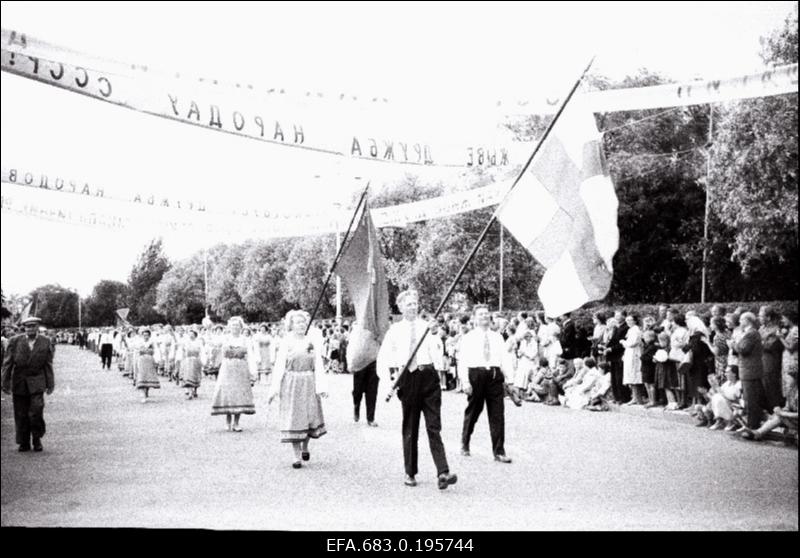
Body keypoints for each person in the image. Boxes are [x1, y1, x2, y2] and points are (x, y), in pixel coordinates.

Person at [378, 289, 457, 489]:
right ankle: (410, 472)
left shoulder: (427, 327)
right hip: (408, 378)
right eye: (408, 304)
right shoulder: (394, 331)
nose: (412, 307)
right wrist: (390, 382)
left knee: (433, 426)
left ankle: (443, 472)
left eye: (415, 303)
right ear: (401, 307)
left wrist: (434, 335)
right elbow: (384, 358)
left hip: (428, 377)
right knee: (411, 427)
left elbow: (438, 354)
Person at [269, 310, 328, 468]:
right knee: (294, 418)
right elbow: (280, 365)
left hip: (309, 381)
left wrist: (321, 387)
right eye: (297, 322)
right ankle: (296, 456)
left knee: (309, 416)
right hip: (291, 383)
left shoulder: (312, 341)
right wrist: (274, 389)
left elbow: (319, 366)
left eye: (303, 322)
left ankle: (305, 446)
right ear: (291, 325)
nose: (301, 325)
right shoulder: (286, 342)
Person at [457, 304, 513, 463]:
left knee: (497, 414)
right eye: (481, 314)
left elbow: (505, 359)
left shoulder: (497, 337)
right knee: (473, 411)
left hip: (494, 375)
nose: (484, 316)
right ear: (474, 318)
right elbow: (462, 361)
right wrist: (465, 382)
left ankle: (499, 451)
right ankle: (465, 442)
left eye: (487, 313)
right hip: (476, 375)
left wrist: (510, 380)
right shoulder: (468, 337)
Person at [1, 317, 54, 452]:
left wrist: (50, 383)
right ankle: (24, 442)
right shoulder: (14, 341)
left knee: (36, 411)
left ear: (37, 327)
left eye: (33, 326)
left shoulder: (45, 341)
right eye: (28, 326)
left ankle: (37, 439)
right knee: (21, 414)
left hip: (37, 381)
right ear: (24, 328)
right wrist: (4, 382)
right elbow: (7, 363)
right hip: (19, 382)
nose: (30, 329)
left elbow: (48, 364)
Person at [211, 317, 257, 432]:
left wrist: (253, 372)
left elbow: (250, 355)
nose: (235, 327)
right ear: (229, 327)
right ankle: (227, 421)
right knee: (228, 393)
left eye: (237, 325)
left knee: (238, 394)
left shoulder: (245, 340)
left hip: (241, 369)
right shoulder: (225, 339)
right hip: (227, 368)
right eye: (233, 325)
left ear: (241, 327)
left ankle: (236, 422)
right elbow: (219, 353)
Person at [734, 312, 768, 431]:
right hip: (749, 370)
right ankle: (750, 424)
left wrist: (734, 344)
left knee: (751, 400)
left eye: (741, 320)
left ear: (747, 321)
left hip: (750, 370)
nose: (739, 322)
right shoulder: (750, 333)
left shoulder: (751, 333)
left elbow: (743, 349)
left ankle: (753, 426)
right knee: (749, 399)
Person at [348, 322, 381, 427]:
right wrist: (350, 362)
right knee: (357, 391)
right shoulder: (356, 328)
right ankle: (356, 406)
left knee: (372, 391)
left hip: (374, 361)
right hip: (360, 362)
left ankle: (370, 418)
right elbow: (351, 347)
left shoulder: (376, 327)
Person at [759, 305, 785, 411]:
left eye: (761, 316)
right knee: (762, 387)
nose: (759, 318)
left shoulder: (775, 329)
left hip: (770, 361)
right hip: (760, 361)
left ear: (768, 317)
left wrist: (758, 343)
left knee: (771, 386)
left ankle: (776, 412)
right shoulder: (761, 328)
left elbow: (771, 345)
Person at [621, 315, 644, 405]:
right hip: (629, 353)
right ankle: (634, 397)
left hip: (634, 354)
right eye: (627, 320)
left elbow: (632, 343)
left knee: (635, 375)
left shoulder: (636, 330)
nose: (628, 322)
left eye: (630, 320)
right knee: (630, 375)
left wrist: (623, 342)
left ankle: (638, 398)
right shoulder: (631, 330)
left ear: (635, 321)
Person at [134, 328, 161, 402]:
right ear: (142, 336)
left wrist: (157, 360)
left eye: (147, 335)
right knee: (142, 376)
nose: (145, 336)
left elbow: (156, 351)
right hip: (141, 361)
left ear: (149, 336)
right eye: (144, 335)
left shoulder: (152, 343)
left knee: (148, 376)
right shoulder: (139, 343)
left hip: (150, 361)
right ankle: (142, 393)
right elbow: (136, 352)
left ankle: (147, 390)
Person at [179, 329, 204, 399]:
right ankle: (190, 393)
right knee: (188, 376)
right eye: (189, 334)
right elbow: (183, 352)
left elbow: (201, 352)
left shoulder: (198, 342)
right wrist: (182, 360)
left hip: (196, 360)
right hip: (188, 361)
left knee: (195, 376)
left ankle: (195, 390)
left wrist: (202, 361)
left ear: (195, 335)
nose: (191, 336)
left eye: (192, 334)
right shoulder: (186, 342)